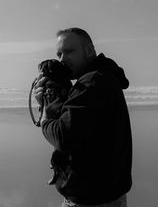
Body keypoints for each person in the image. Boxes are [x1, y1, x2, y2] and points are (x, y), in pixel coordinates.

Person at [34, 28, 132, 207]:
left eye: (69, 51)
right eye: (59, 54)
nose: (62, 59)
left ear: (89, 50)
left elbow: (64, 137)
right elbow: (84, 132)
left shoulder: (91, 82)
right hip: (108, 196)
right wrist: (48, 104)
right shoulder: (102, 78)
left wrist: (45, 118)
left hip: (91, 201)